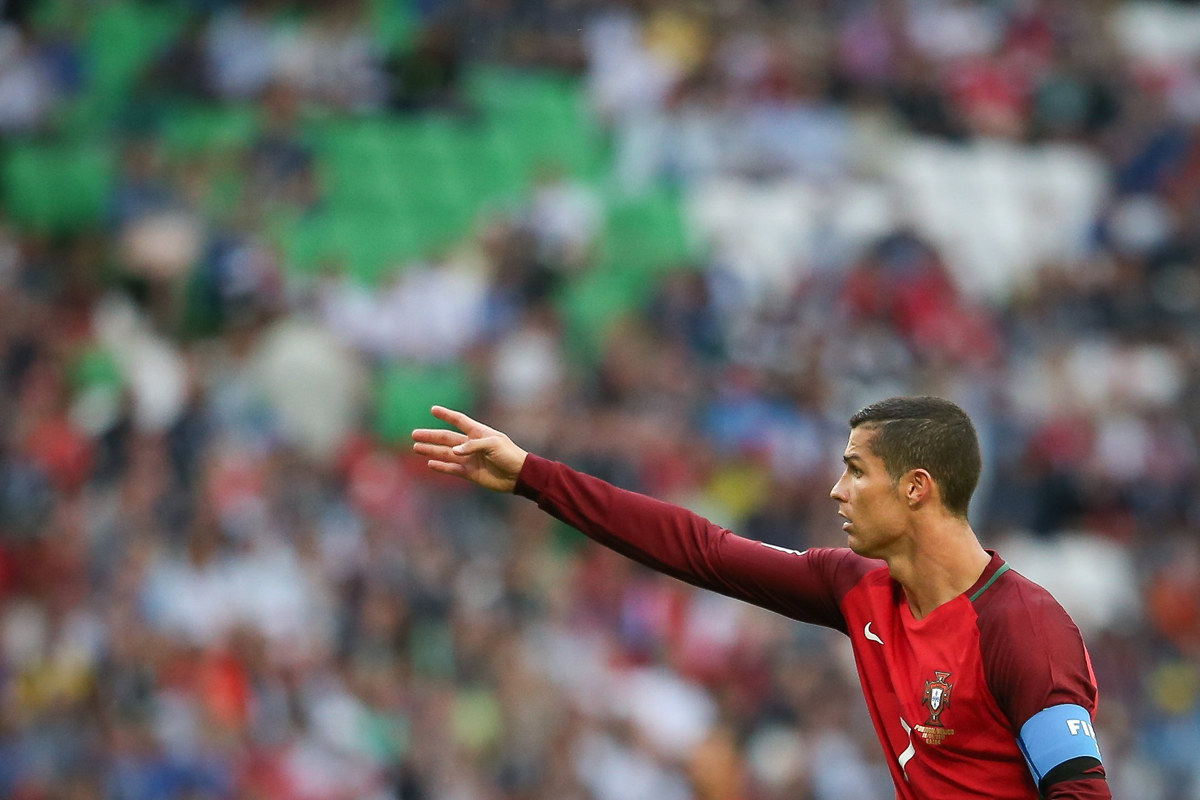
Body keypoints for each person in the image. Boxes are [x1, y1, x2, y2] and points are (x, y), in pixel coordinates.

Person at [412, 396, 1109, 799]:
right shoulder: (857, 588)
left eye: (855, 471)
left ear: (916, 488)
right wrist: (534, 476)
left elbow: (1079, 792)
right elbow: (701, 550)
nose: (836, 491)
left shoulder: (1023, 627)